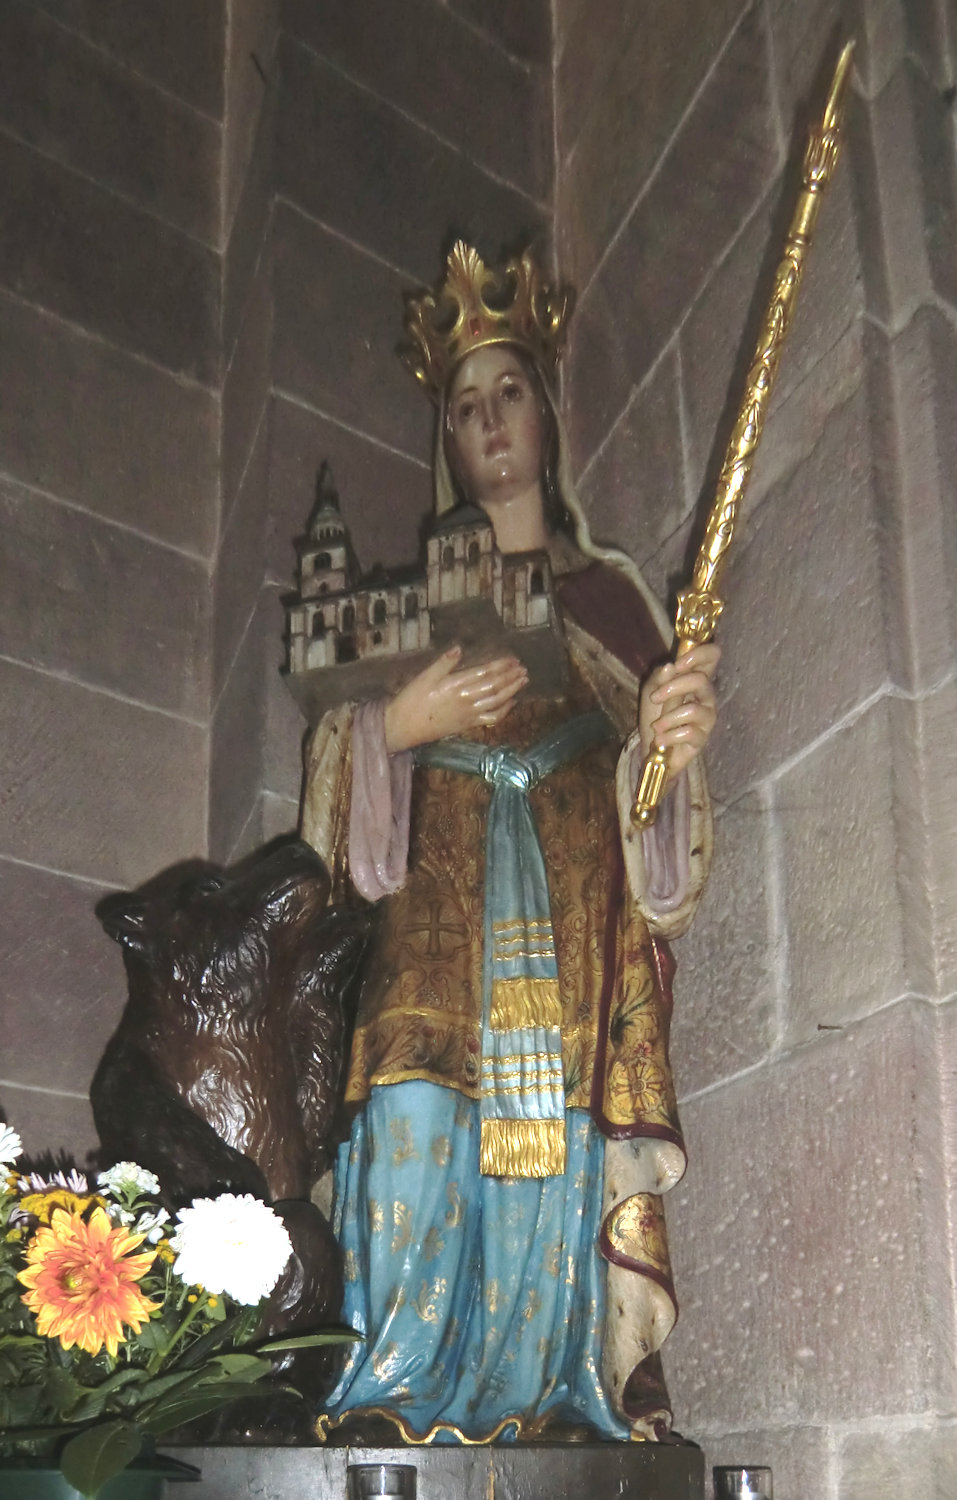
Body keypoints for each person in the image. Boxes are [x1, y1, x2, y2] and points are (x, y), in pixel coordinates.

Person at [300, 242, 719, 1444]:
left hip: (568, 934)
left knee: (553, 1153)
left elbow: (660, 837)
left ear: (548, 410)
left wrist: (670, 749)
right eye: (463, 405)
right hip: (433, 926)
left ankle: (557, 1394)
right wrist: (397, 725)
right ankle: (396, 1388)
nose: (488, 422)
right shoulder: (404, 598)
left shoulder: (610, 603)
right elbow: (329, 801)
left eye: (510, 392)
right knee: (420, 1123)